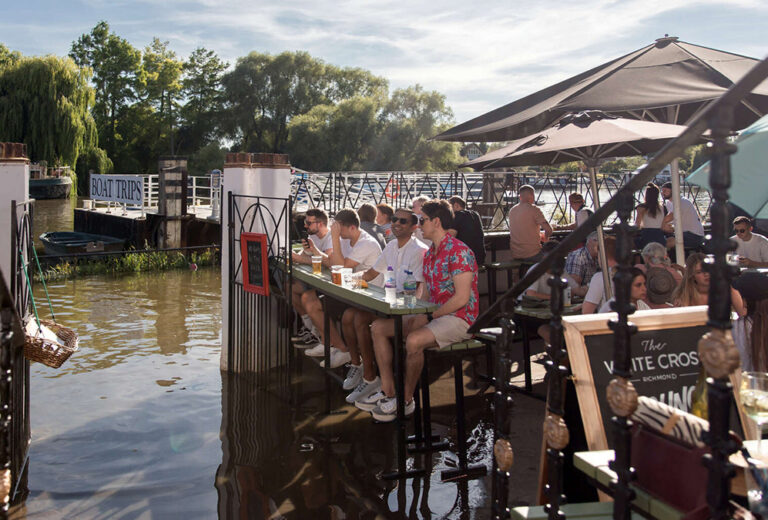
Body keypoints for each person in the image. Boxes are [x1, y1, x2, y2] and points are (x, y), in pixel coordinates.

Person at [363, 200, 479, 422]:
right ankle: (388, 391)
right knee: (378, 327)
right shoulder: (430, 254)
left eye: (422, 220)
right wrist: (414, 314)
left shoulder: (459, 252)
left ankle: (406, 400)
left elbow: (462, 299)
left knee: (414, 341)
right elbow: (424, 293)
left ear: (436, 222)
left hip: (461, 318)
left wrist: (427, 316)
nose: (419, 224)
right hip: (435, 314)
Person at [341, 208, 428, 407]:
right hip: (390, 304)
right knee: (357, 317)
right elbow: (371, 274)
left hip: (409, 309)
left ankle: (387, 390)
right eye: (395, 219)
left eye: (403, 221)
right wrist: (347, 280)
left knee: (374, 325)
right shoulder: (390, 246)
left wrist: (404, 308)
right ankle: (370, 378)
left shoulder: (419, 250)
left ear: (414, 227)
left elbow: (416, 291)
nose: (396, 223)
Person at [301, 209, 383, 368]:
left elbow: (341, 266)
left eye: (340, 229)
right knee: (307, 297)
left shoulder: (367, 243)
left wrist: (334, 238)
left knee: (316, 304)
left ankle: (341, 349)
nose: (337, 232)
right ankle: (333, 345)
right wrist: (314, 251)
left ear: (352, 227)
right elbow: (331, 262)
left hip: (367, 294)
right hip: (348, 289)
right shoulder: (345, 239)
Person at [290, 209, 333, 347]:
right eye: (305, 222)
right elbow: (305, 255)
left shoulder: (332, 238)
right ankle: (310, 328)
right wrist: (298, 256)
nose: (305, 226)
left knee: (306, 296)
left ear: (320, 224)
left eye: (309, 223)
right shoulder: (312, 236)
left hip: (329, 284)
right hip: (315, 280)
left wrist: (299, 258)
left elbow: (325, 263)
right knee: (289, 287)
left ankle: (318, 335)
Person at [671, 253, 746, 316]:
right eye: (699, 272)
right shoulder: (684, 296)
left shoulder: (727, 290)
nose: (706, 274)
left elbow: (743, 316)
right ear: (692, 276)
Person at [508, 185, 552, 261]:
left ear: (520, 196)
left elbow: (523, 229)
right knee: (555, 257)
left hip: (516, 254)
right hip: (533, 254)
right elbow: (549, 230)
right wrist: (546, 237)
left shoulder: (512, 210)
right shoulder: (534, 209)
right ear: (532, 195)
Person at [634, 241, 683, 308]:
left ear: (647, 257)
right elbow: (682, 291)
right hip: (670, 309)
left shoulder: (639, 268)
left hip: (647, 309)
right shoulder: (674, 272)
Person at [661, 182, 705, 250]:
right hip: (682, 233)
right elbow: (670, 221)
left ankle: (662, 259)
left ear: (673, 191)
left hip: (694, 235)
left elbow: (670, 217)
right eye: (662, 191)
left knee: (668, 242)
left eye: (665, 191)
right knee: (663, 238)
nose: (662, 193)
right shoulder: (669, 203)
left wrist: (658, 224)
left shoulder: (682, 201)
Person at [582, 236, 618, 314]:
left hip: (608, 322)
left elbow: (586, 311)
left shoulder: (601, 277)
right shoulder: (633, 273)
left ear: (601, 255)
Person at [447, 195, 486, 265]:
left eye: (449, 208)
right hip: (479, 258)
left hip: (465, 259)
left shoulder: (457, 215)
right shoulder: (475, 215)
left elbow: (449, 239)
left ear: (456, 205)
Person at [565, 231, 600, 297]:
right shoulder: (578, 256)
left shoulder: (600, 257)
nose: (604, 247)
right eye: (602, 242)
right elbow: (573, 289)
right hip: (577, 299)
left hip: (591, 296)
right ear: (590, 241)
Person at [634, 183, 667, 249]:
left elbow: (637, 225)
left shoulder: (641, 207)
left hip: (647, 238)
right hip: (660, 239)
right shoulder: (663, 208)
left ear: (646, 195)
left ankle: (638, 258)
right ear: (657, 195)